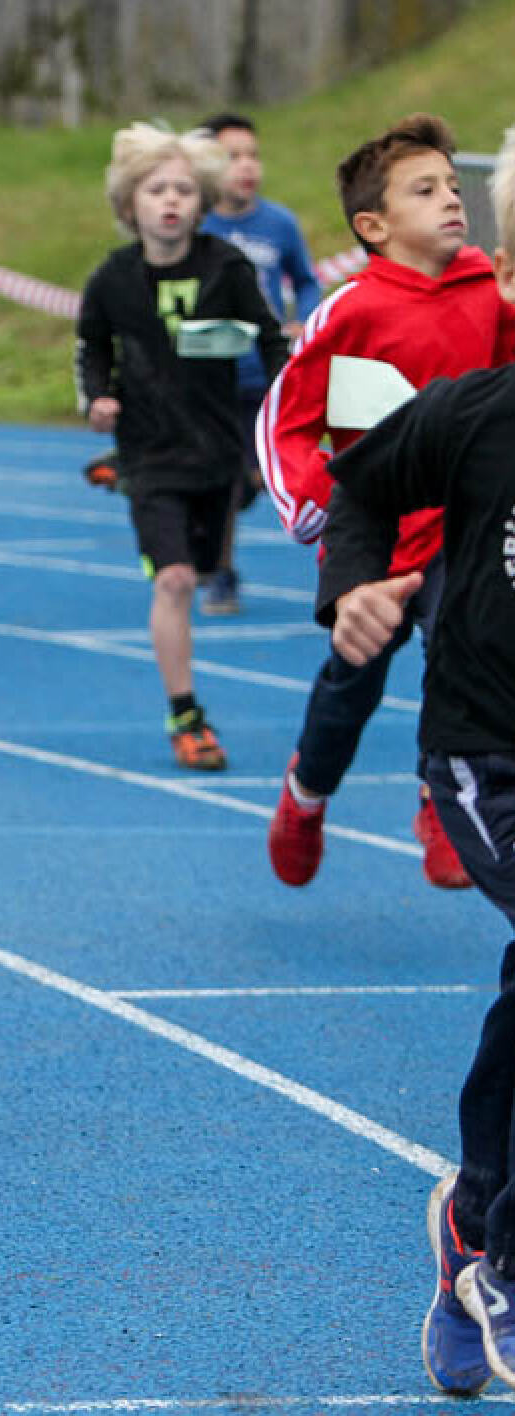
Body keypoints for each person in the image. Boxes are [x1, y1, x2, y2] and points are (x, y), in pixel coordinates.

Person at [314, 124, 515, 1402]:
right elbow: (359, 491)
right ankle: (502, 1261)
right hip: (490, 751)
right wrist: (352, 589)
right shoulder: (477, 413)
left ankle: (475, 1218)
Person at [258, 113, 515, 890]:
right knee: (353, 681)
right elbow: (284, 417)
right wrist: (311, 507)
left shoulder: (491, 291)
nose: (452, 199)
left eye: (453, 185)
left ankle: (441, 802)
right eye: (424, 190)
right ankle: (306, 794)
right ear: (374, 225)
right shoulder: (353, 309)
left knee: (460, 654)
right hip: (375, 534)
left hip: (460, 532)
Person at [75, 121, 287, 771]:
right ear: (129, 203)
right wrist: (98, 398)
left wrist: (287, 406)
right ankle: (186, 715)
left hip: (217, 449)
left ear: (202, 203)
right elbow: (93, 348)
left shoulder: (227, 268)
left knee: (204, 567)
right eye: (156, 189)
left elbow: (270, 340)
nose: (171, 201)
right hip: (149, 454)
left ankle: (239, 484)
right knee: (174, 581)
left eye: (184, 190)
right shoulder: (112, 278)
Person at [198, 112, 322, 614]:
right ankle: (221, 572)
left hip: (266, 376)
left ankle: (246, 488)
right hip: (208, 379)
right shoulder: (194, 224)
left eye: (253, 155)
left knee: (254, 478)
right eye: (233, 157)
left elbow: (306, 281)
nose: (247, 166)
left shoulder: (278, 224)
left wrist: (305, 320)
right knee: (222, 480)